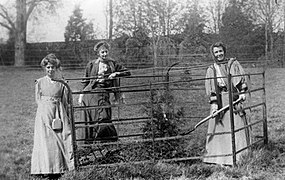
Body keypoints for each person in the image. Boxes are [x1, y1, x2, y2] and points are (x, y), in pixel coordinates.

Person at [203, 42, 250, 166]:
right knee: (220, 126)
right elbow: (212, 89)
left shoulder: (233, 64)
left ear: (224, 51)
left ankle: (240, 156)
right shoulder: (211, 69)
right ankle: (218, 159)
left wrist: (242, 92)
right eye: (216, 52)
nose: (219, 54)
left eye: (220, 51)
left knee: (237, 124)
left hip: (234, 99)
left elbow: (240, 79)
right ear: (213, 54)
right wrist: (214, 105)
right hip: (220, 100)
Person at [78, 41, 131, 143]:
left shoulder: (113, 63)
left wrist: (116, 73)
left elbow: (128, 72)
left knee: (104, 116)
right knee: (94, 117)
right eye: (102, 52)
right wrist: (81, 95)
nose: (104, 54)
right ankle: (93, 140)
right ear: (98, 53)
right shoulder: (92, 64)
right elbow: (85, 80)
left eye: (106, 52)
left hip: (104, 93)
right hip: (91, 93)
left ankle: (107, 140)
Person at [31, 54, 74, 178]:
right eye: (48, 67)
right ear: (45, 68)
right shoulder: (39, 82)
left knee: (58, 138)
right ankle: (43, 168)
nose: (50, 70)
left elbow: (66, 102)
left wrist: (62, 114)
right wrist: (44, 111)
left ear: (56, 68)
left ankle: (58, 167)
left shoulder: (62, 84)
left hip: (58, 113)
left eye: (53, 67)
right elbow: (38, 100)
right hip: (44, 113)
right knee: (44, 140)